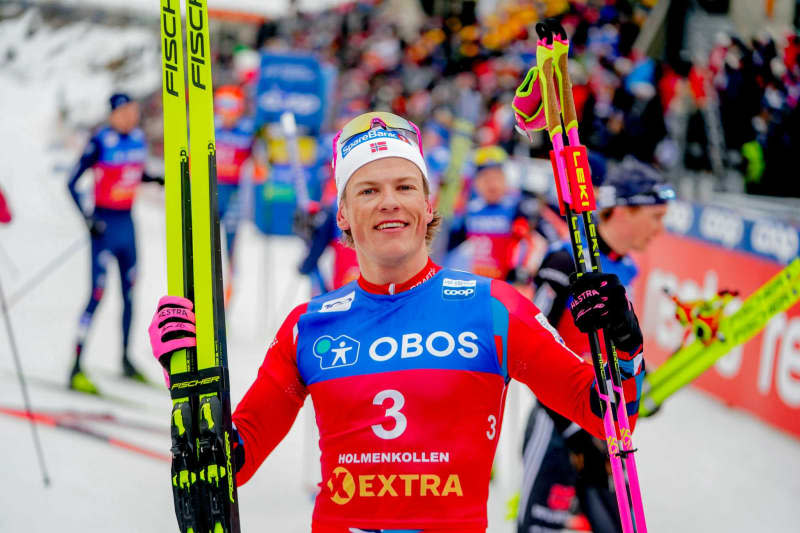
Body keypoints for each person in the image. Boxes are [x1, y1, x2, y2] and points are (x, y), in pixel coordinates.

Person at [149, 112, 646, 532]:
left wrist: (623, 339)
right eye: (367, 190)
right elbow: (229, 466)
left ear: (427, 204)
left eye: (405, 186)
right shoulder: (309, 327)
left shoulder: (492, 307)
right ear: (342, 213)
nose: (389, 201)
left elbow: (610, 414)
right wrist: (187, 382)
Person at [516, 156, 675, 533]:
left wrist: (638, 382)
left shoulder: (626, 267)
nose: (660, 230)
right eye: (656, 216)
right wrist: (574, 436)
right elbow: (529, 351)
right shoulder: (564, 260)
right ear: (623, 210)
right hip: (558, 425)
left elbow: (610, 346)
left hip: (605, 431)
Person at [67, 92, 162, 393]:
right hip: (104, 226)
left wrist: (155, 179)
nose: (131, 117)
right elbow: (71, 182)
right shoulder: (100, 142)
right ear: (113, 114)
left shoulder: (137, 138)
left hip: (127, 225)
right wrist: (87, 218)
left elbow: (136, 173)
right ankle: (76, 365)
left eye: (133, 111)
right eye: (125, 112)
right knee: (97, 294)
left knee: (130, 295)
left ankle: (125, 359)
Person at [446, 145, 552, 282]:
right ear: (477, 183)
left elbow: (543, 243)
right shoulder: (469, 211)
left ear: (505, 178)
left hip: (511, 285)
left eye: (496, 177)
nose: (492, 184)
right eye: (485, 179)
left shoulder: (520, 205)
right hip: (479, 284)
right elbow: (448, 250)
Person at [213, 85, 258, 301]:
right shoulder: (210, 126)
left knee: (229, 248)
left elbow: (260, 162)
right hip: (211, 191)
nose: (226, 112)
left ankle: (227, 295)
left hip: (234, 195)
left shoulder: (247, 129)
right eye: (222, 106)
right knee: (207, 245)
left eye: (231, 106)